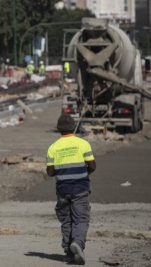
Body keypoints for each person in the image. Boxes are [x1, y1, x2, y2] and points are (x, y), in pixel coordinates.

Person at [46, 113, 96, 265]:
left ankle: (68, 252)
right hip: (80, 188)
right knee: (80, 218)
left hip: (62, 189)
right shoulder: (83, 144)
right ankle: (78, 244)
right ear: (74, 127)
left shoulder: (53, 147)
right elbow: (92, 165)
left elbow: (50, 172)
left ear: (58, 129)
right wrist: (83, 172)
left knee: (66, 220)